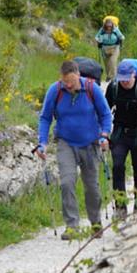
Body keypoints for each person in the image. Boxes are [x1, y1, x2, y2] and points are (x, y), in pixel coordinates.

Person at [35, 59, 112, 239]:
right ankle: (72, 227)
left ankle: (95, 223)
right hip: (66, 143)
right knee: (66, 182)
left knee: (92, 187)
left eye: (71, 81)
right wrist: (42, 142)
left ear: (78, 75)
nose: (68, 85)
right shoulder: (55, 90)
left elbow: (105, 114)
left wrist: (105, 134)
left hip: (91, 143)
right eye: (65, 82)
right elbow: (45, 118)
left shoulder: (92, 89)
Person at [105, 62, 137, 221]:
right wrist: (104, 132)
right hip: (120, 133)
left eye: (127, 78)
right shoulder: (113, 88)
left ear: (134, 74)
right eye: (122, 79)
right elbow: (105, 110)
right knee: (118, 166)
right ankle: (120, 207)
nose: (125, 82)